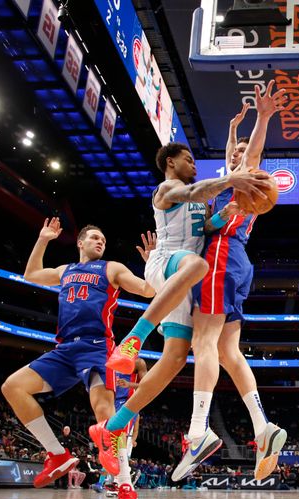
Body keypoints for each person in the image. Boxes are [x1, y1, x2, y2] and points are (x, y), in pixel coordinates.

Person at [91, 141, 268, 476]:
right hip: (173, 263)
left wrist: (223, 215)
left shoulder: (200, 199)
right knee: (197, 266)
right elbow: (195, 193)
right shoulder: (168, 188)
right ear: (170, 162)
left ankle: (112, 426)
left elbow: (205, 227)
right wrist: (232, 180)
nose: (194, 165)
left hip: (182, 281)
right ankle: (133, 339)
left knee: (173, 360)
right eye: (189, 159)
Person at [176, 81, 290, 482]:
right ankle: (262, 426)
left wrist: (262, 118)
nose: (236, 156)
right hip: (238, 262)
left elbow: (250, 154)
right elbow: (233, 157)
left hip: (222, 255)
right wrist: (231, 132)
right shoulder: (232, 183)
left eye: (241, 155)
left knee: (202, 342)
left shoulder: (248, 178)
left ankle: (197, 430)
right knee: (228, 351)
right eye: (234, 154)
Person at [0, 219, 155, 488]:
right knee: (12, 387)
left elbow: (147, 290)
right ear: (80, 243)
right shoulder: (65, 270)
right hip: (65, 349)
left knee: (104, 414)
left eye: (104, 241)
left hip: (96, 347)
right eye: (95, 238)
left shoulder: (112, 268)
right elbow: (31, 274)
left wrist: (151, 264)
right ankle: (58, 454)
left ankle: (124, 484)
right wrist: (43, 239)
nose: (101, 242)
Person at [110, 357, 147, 499]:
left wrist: (129, 384)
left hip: (127, 403)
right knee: (110, 444)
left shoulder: (138, 362)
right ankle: (118, 483)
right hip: (109, 401)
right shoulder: (109, 359)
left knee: (119, 438)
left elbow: (148, 385)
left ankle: (125, 486)